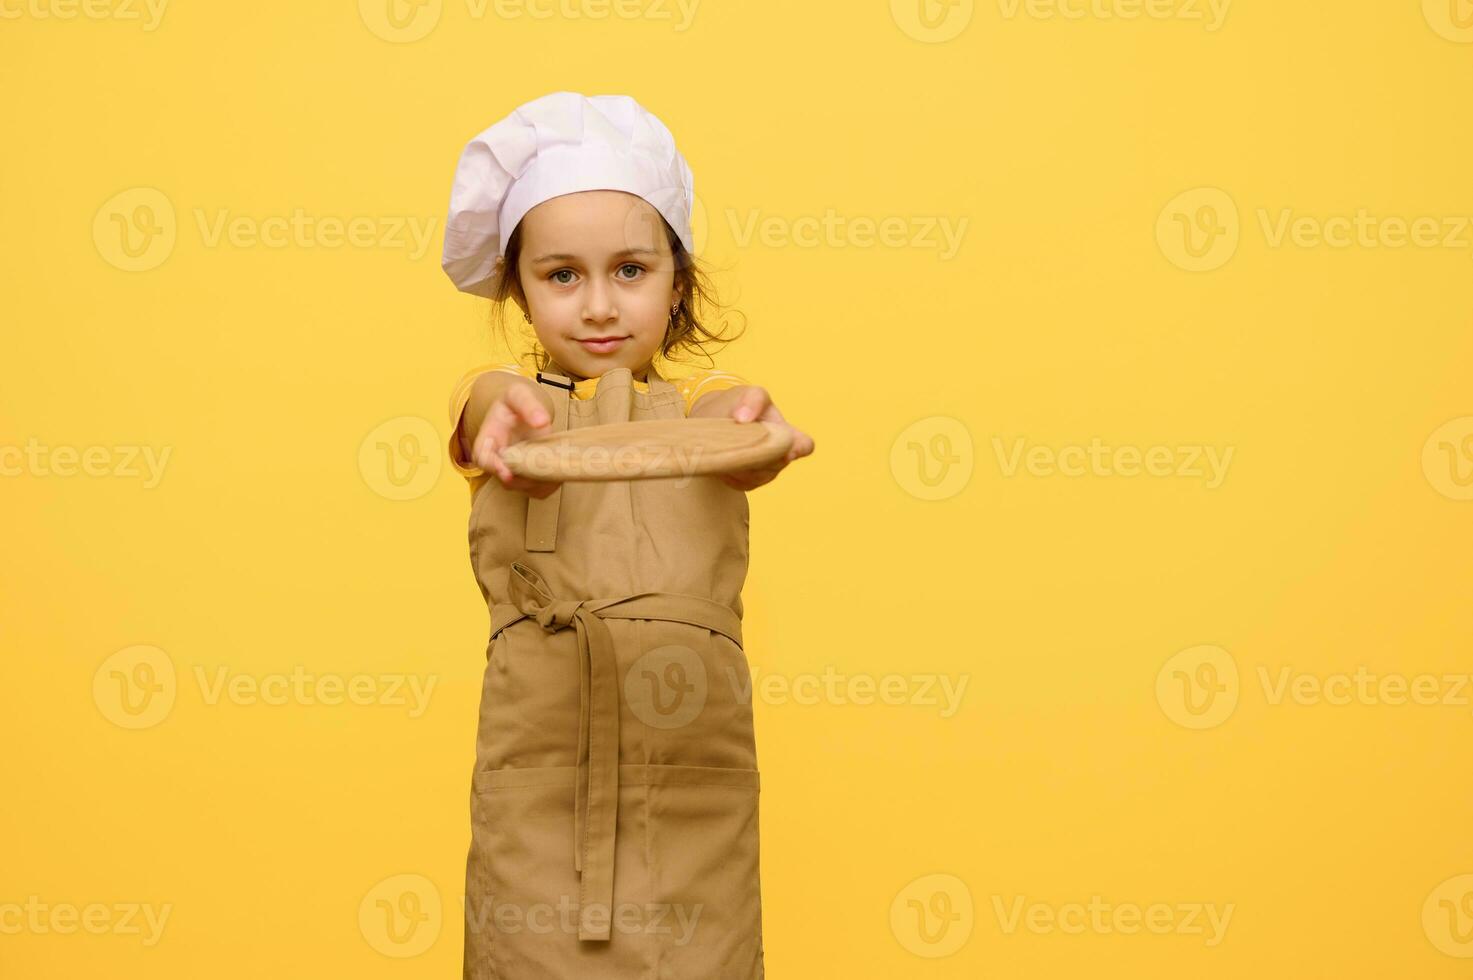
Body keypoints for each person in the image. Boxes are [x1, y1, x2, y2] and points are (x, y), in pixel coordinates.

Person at [441, 91, 814, 978]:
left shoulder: (713, 410)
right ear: (518, 289)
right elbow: (482, 407)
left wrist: (753, 426)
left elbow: (738, 423)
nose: (599, 306)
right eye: (562, 275)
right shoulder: (506, 406)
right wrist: (504, 417)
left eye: (631, 271)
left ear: (676, 280)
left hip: (696, 774)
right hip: (543, 779)